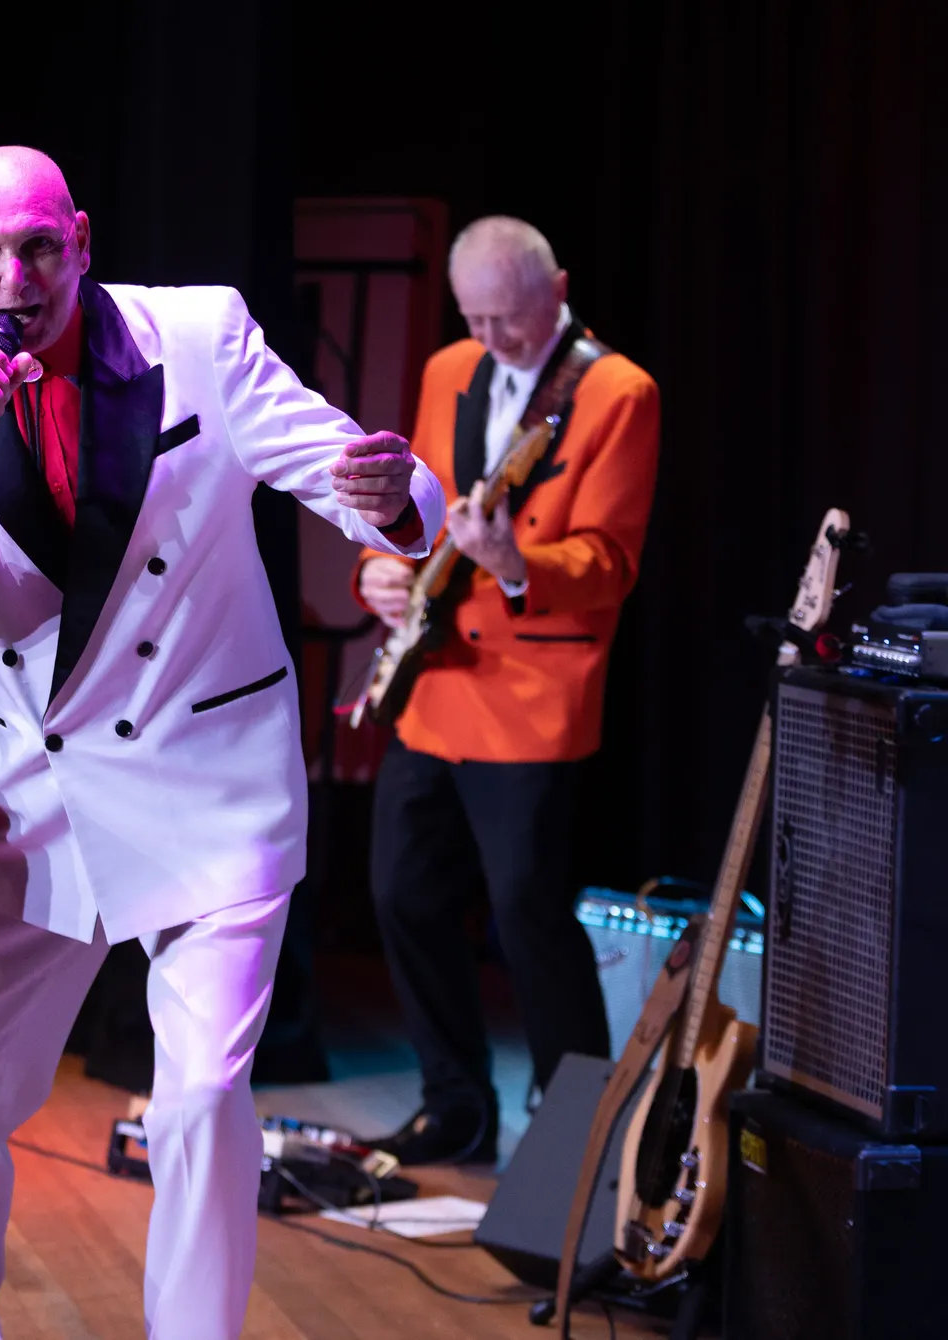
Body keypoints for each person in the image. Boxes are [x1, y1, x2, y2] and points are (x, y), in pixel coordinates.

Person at [0, 146, 444, 1339]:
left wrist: (390, 498)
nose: (16, 276)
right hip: (38, 795)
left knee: (198, 1096)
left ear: (79, 236)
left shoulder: (198, 338)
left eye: (38, 246)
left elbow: (358, 478)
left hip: (209, 783)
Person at [353, 215, 660, 1165]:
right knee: (401, 891)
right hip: (435, 676)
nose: (493, 341)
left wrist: (518, 564)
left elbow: (610, 561)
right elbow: (417, 504)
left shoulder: (617, 392)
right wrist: (383, 565)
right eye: (477, 320)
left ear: (558, 289)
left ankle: (580, 1136)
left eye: (512, 322)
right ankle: (457, 1104)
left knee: (528, 914)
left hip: (534, 690)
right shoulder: (450, 368)